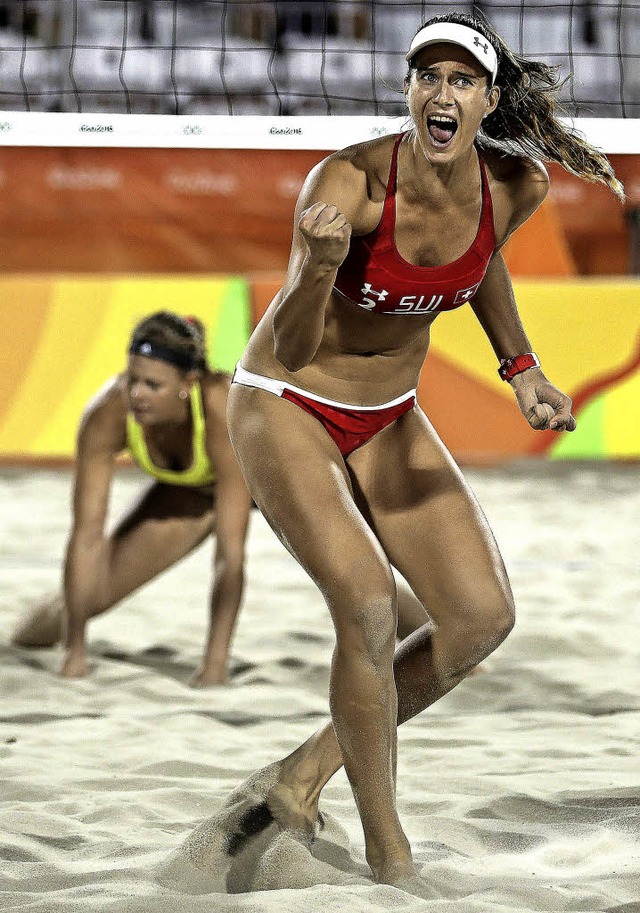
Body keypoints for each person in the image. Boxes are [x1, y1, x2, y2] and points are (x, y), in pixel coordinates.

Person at [220, 11, 624, 897]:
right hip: (287, 400)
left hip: (390, 410)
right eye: (426, 77)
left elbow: (479, 265)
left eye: (461, 80)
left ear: (486, 99)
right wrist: (318, 268)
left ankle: (299, 775)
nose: (442, 94)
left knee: (481, 617)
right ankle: (388, 853)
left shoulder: (516, 184)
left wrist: (522, 369)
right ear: (408, 90)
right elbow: (289, 346)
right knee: (368, 606)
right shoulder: (348, 184)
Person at [11, 311, 253, 687]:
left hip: (276, 487)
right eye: (132, 380)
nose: (136, 394)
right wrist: (74, 653)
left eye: (152, 385)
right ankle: (34, 631)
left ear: (187, 383)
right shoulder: (108, 412)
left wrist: (214, 666)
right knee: (59, 617)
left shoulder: (225, 414)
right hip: (196, 495)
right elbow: (86, 536)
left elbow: (229, 556)